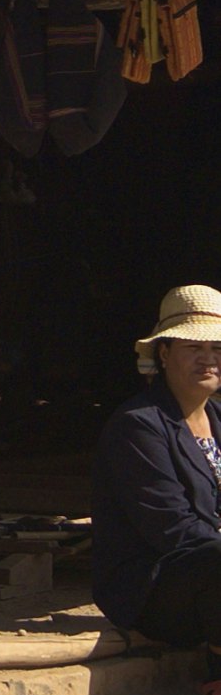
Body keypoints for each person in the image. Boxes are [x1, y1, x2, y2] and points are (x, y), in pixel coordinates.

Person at [93, 283, 221, 673]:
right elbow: (174, 530)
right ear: (164, 354)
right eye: (194, 347)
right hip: (156, 586)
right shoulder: (138, 426)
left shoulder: (218, 418)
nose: (208, 359)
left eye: (217, 348)